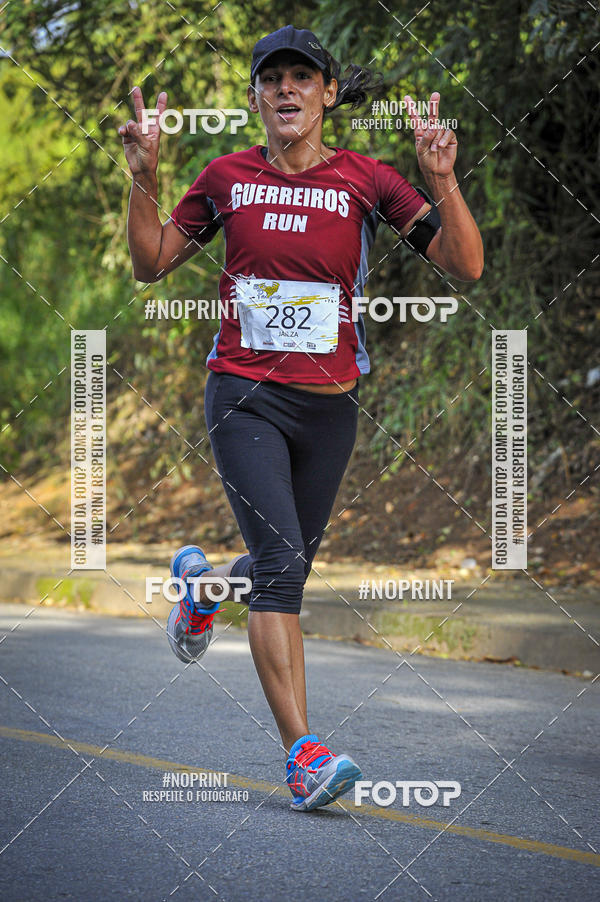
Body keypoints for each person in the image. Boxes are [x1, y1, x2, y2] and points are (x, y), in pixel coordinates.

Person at [118, 24, 483, 812]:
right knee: (283, 571)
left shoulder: (369, 181)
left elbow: (465, 264)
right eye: (271, 79)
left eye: (301, 77)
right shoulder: (225, 178)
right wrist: (143, 176)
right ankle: (304, 756)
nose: (286, 89)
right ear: (255, 97)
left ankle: (206, 587)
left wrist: (442, 178)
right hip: (243, 396)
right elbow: (150, 264)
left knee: (286, 568)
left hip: (330, 408)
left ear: (326, 94)